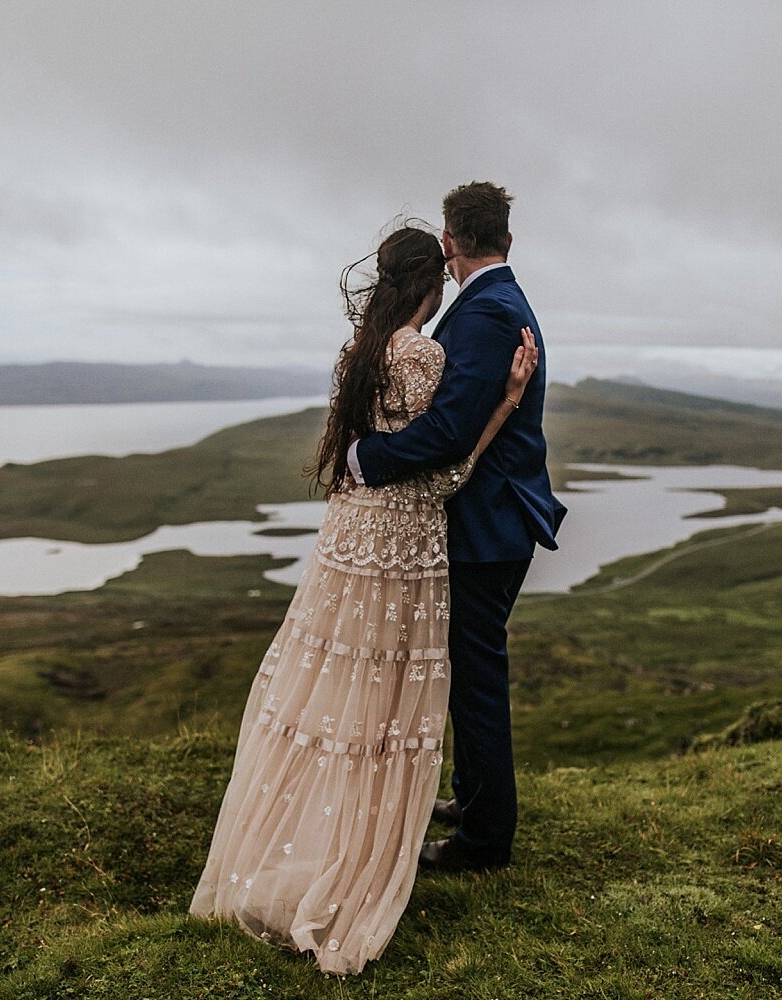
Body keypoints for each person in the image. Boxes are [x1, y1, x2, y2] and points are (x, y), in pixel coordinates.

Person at [190, 223, 538, 976]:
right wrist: (505, 405)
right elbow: (443, 471)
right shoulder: (422, 353)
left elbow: (361, 449)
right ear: (431, 282)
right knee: (385, 691)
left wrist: (360, 461)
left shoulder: (358, 351)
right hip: (402, 545)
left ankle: (305, 833)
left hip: (346, 539)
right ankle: (360, 851)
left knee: (331, 682)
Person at [350, 181, 565, 873]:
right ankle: (475, 799)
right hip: (489, 520)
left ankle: (484, 840)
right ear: (505, 236)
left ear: (450, 242)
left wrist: (366, 458)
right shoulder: (496, 303)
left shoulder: (489, 313)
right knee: (468, 671)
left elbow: (449, 430)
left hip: (487, 526)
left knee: (475, 679)